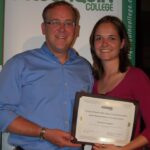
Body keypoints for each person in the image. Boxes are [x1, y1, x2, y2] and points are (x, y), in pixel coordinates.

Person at [0, 1, 93, 150]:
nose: (62, 29)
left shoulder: (85, 68)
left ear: (76, 29)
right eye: (55, 22)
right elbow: (1, 112)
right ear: (44, 28)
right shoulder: (19, 64)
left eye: (68, 23)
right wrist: (43, 133)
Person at [90, 15, 150, 150]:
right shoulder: (92, 81)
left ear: (122, 43)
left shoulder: (136, 77)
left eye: (111, 38)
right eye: (98, 38)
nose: (104, 43)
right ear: (93, 44)